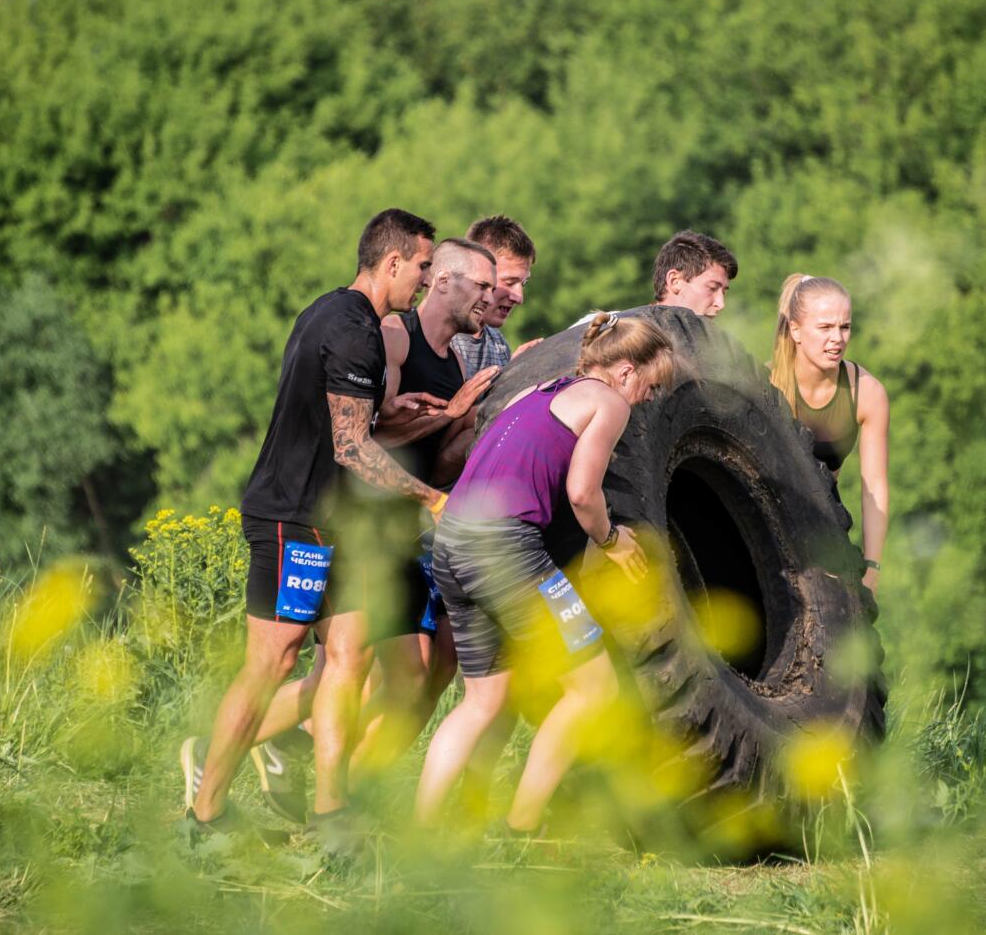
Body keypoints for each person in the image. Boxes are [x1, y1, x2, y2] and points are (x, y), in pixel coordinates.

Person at [180, 208, 446, 850]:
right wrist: (431, 497)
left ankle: (332, 815)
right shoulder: (356, 333)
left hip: (339, 521)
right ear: (391, 263)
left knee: (350, 655)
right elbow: (354, 448)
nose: (425, 281)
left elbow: (337, 413)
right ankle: (205, 816)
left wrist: (391, 405)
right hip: (293, 518)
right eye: (422, 268)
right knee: (275, 658)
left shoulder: (331, 313)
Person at [238, 238, 501, 819]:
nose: (500, 294)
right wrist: (448, 419)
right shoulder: (392, 338)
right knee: (330, 663)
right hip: (351, 521)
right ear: (440, 281)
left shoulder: (461, 358)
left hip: (402, 527)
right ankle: (226, 756)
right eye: (486, 284)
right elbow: (359, 443)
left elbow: (425, 447)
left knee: (408, 679)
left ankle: (341, 796)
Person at [414, 312, 674, 835]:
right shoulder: (609, 402)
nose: (649, 397)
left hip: (452, 542)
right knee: (594, 688)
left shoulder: (534, 389)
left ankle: (416, 835)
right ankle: (522, 829)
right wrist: (611, 540)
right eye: (652, 384)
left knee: (483, 700)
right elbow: (582, 491)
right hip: (504, 546)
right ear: (624, 371)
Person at [768, 274, 889, 596]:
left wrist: (873, 567)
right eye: (825, 328)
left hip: (824, 525)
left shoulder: (867, 393)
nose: (837, 339)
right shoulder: (766, 387)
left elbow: (874, 486)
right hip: (765, 523)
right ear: (795, 330)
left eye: (844, 327)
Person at [575, 230, 737, 323]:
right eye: (712, 288)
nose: (721, 304)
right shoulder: (605, 327)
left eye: (723, 292)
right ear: (675, 281)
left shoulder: (723, 356)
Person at [451, 215, 543, 377]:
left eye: (523, 283)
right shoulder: (438, 337)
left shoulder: (499, 344)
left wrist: (512, 372)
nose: (519, 297)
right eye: (509, 282)